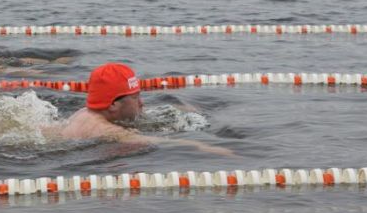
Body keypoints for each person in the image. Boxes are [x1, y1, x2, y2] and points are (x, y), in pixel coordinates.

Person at [55, 62, 234, 155]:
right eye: (135, 98)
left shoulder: (85, 113)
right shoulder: (105, 130)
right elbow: (156, 142)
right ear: (113, 105)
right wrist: (200, 146)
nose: (142, 103)